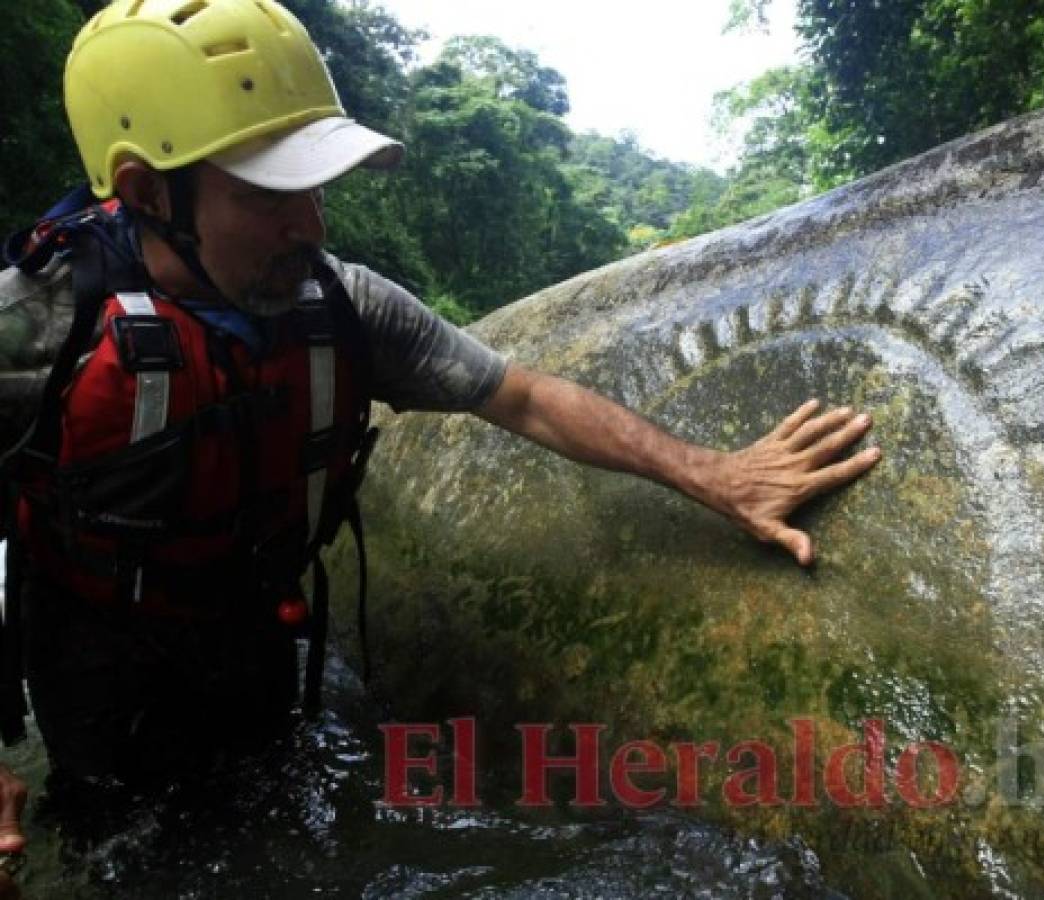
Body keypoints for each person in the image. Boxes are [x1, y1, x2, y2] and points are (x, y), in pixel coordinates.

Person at [0, 0, 881, 875]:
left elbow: (524, 396)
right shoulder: (36, 332)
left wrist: (715, 475)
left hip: (256, 646)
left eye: (313, 187)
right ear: (149, 191)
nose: (311, 226)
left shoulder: (342, 305)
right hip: (98, 667)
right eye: (270, 195)